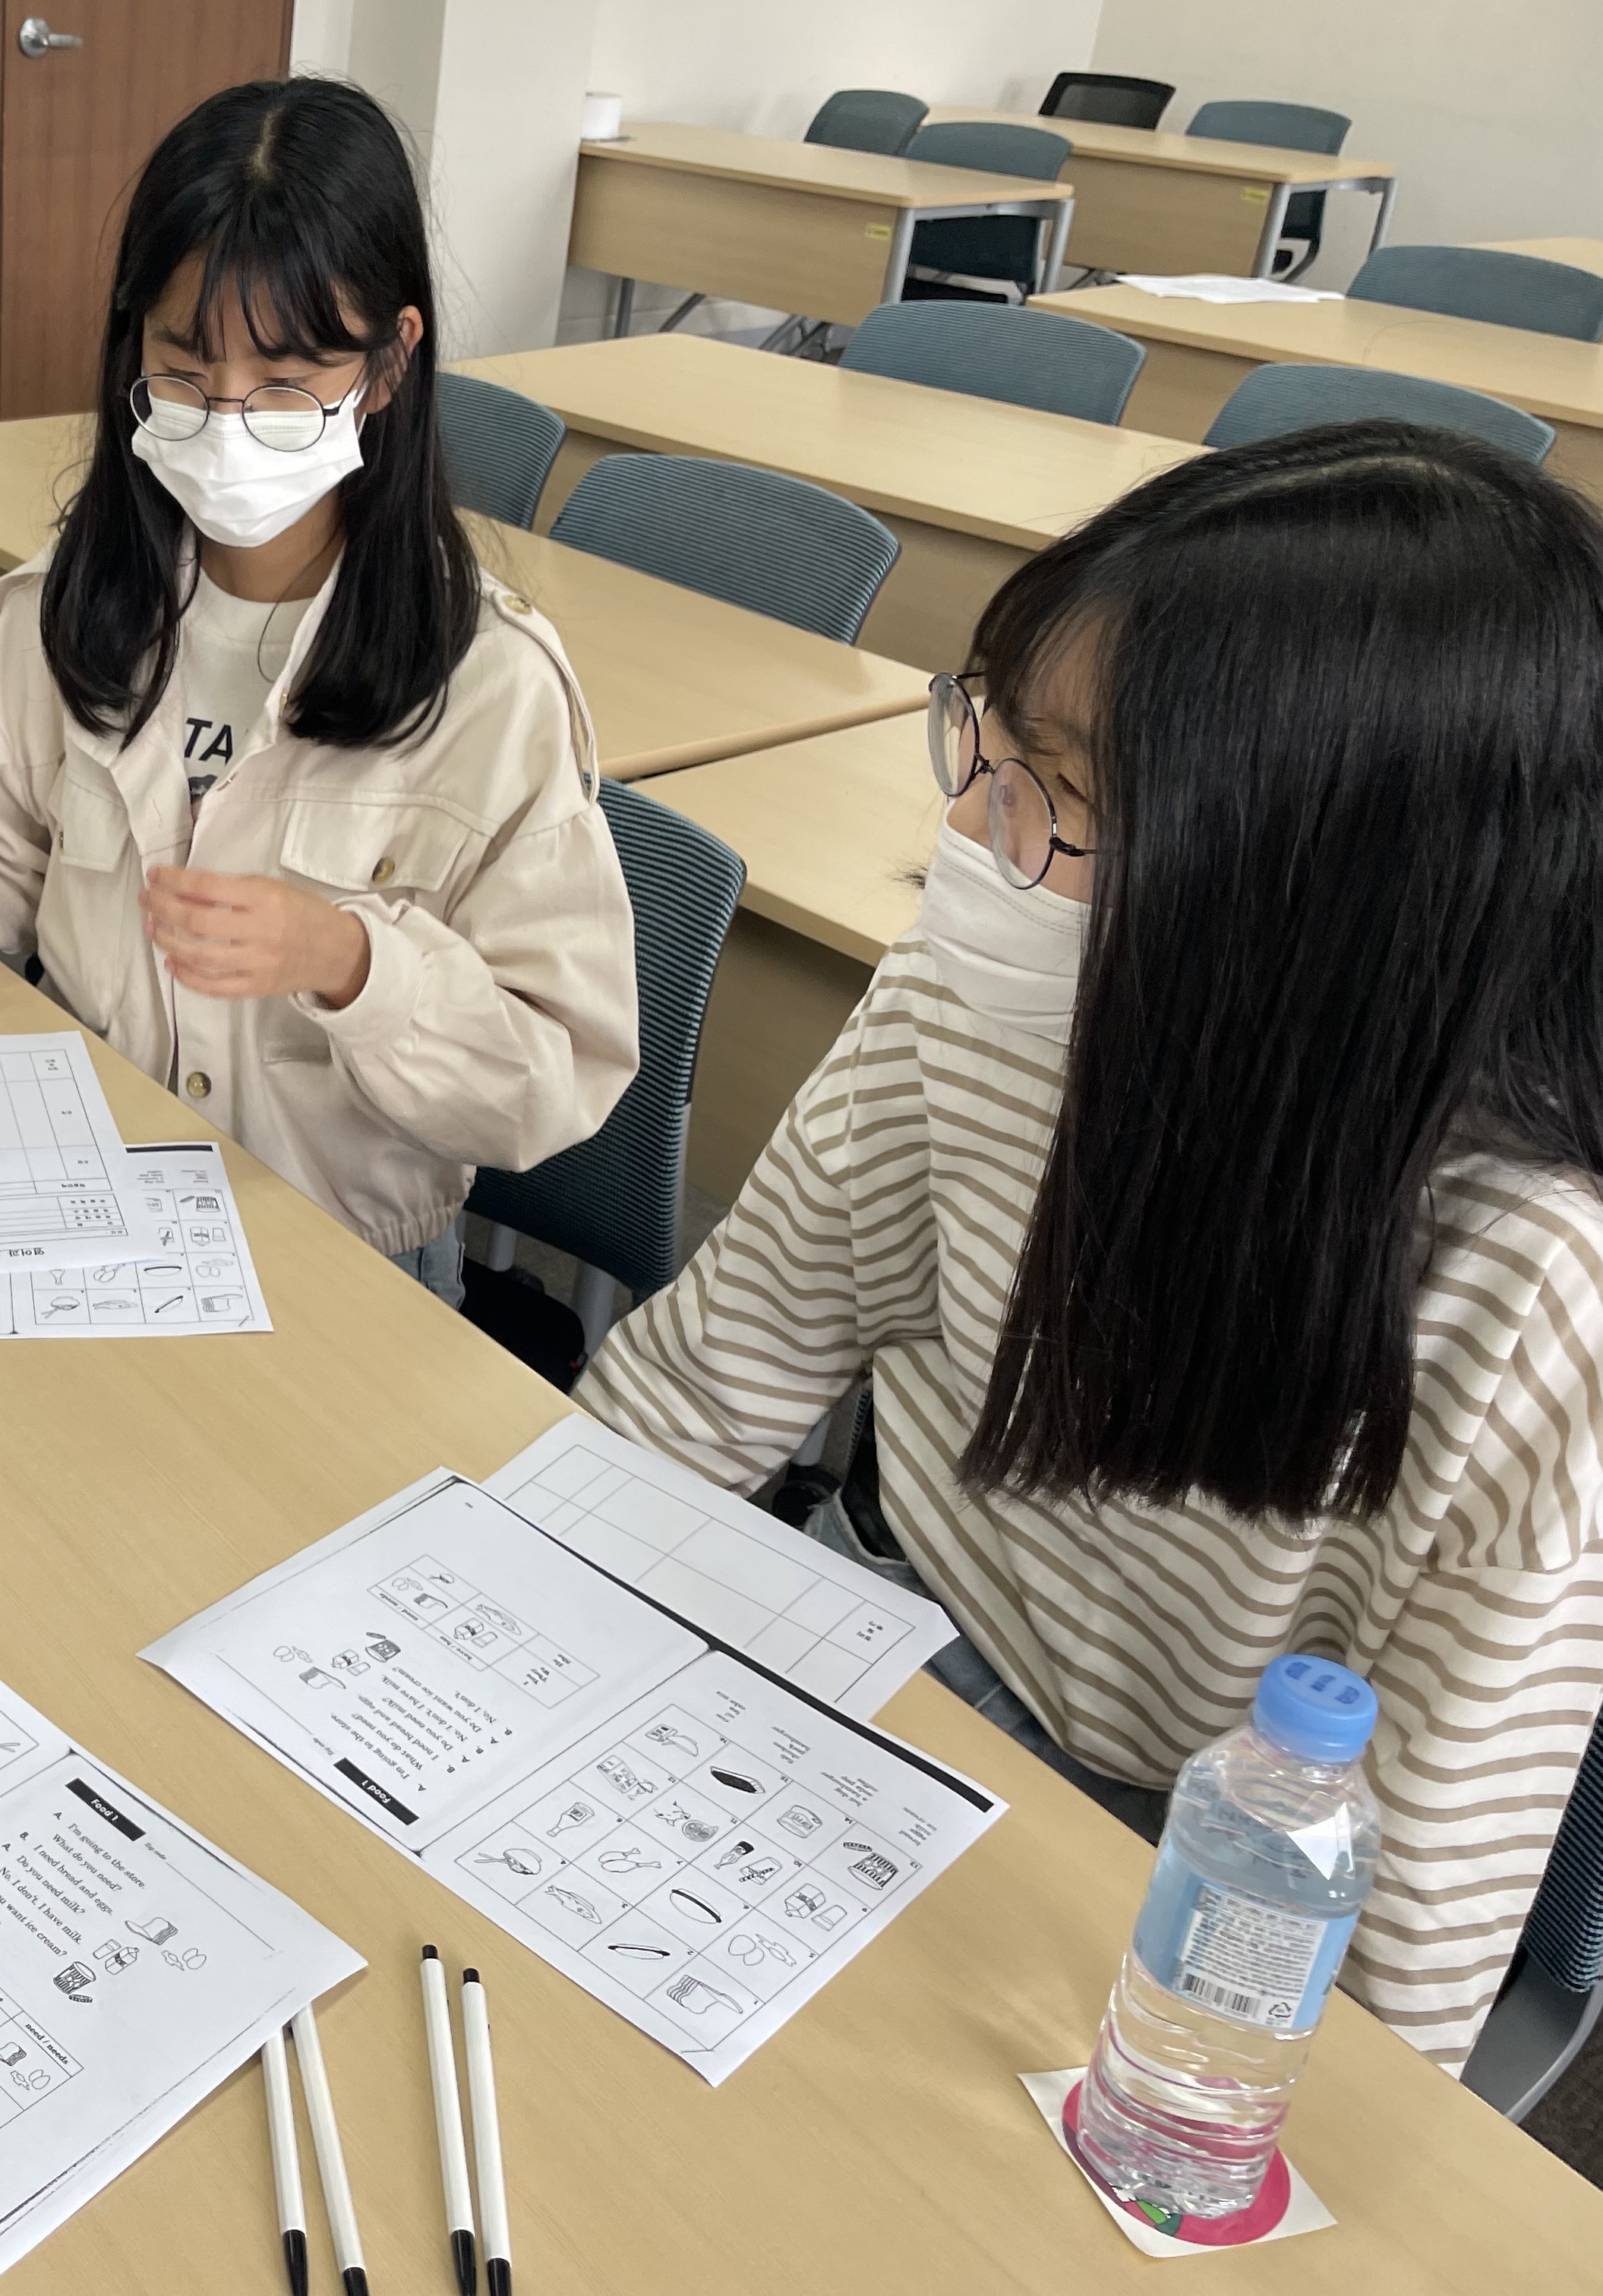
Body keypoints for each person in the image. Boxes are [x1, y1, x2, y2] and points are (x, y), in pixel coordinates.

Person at [575, 420, 1603, 2073]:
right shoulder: (980, 988)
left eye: (1062, 799)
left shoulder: (1533, 1291)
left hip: (1185, 1860)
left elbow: (1405, 1923)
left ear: (1319, 900)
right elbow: (719, 1367)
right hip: (876, 1621)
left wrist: (1241, 2102)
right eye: (989, 742)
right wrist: (513, 1603)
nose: (976, 831)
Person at [0, 77, 638, 1305]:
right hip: (83, 1183)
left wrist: (350, 963)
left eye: (287, 377)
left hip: (345, 1256)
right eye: (185, 364)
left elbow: (555, 1066)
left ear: (387, 364)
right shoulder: (74, 605)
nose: (225, 418)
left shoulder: (489, 687)